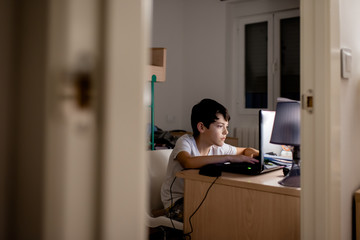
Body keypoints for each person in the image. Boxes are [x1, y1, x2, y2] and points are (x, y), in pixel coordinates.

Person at [160, 98, 259, 222]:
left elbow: (246, 151)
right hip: (176, 203)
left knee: (235, 208)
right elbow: (188, 162)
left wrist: (258, 153)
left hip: (199, 197)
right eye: (220, 126)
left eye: (226, 126)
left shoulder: (217, 147)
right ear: (201, 127)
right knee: (218, 217)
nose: (226, 132)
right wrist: (229, 157)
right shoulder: (185, 142)